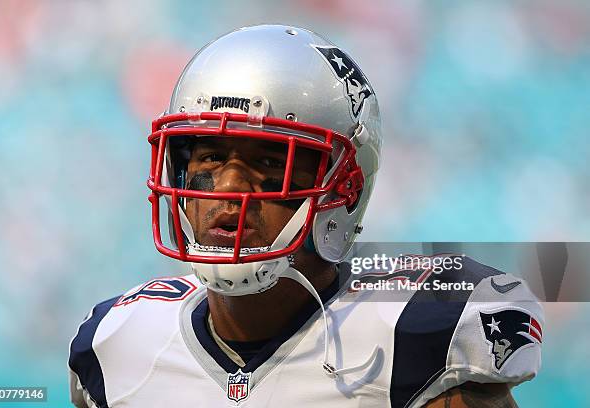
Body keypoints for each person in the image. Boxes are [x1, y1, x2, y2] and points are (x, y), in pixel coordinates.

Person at [68, 25, 543, 407]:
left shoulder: (417, 337)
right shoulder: (115, 344)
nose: (230, 190)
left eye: (272, 164)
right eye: (209, 158)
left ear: (345, 190)